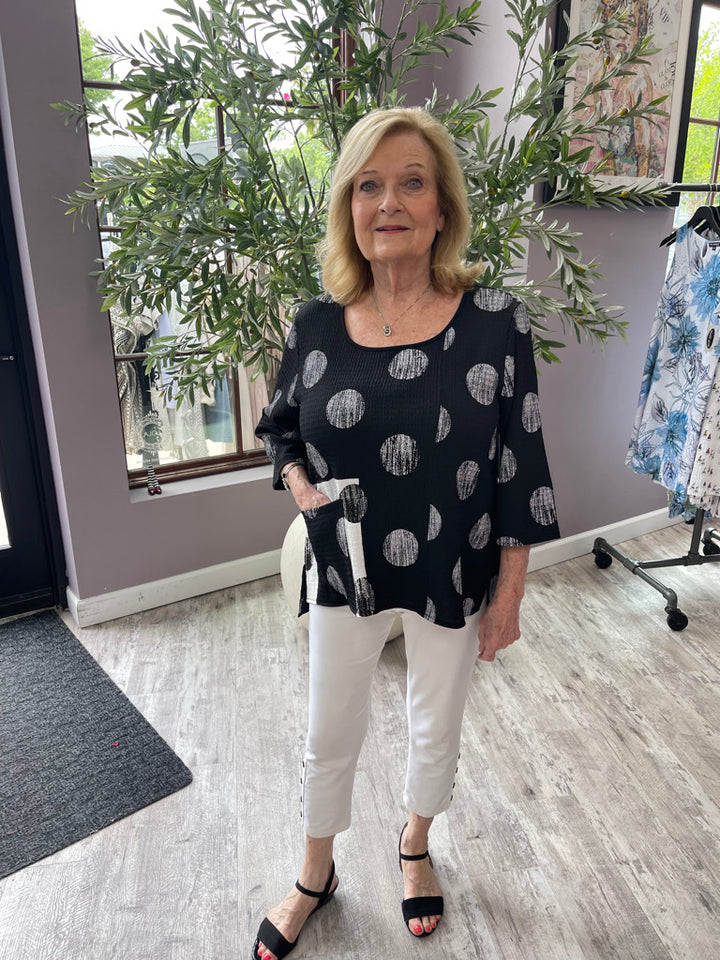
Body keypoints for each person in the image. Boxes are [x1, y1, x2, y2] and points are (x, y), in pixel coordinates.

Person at [253, 106, 559, 960]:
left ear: (442, 207)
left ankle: (416, 844)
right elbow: (279, 428)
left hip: (450, 565)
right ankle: (315, 872)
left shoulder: (495, 323)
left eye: (412, 183)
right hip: (343, 564)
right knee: (329, 728)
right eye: (369, 185)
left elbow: (521, 462)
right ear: (349, 207)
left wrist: (511, 593)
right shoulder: (315, 325)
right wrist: (300, 486)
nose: (389, 202)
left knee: (436, 721)